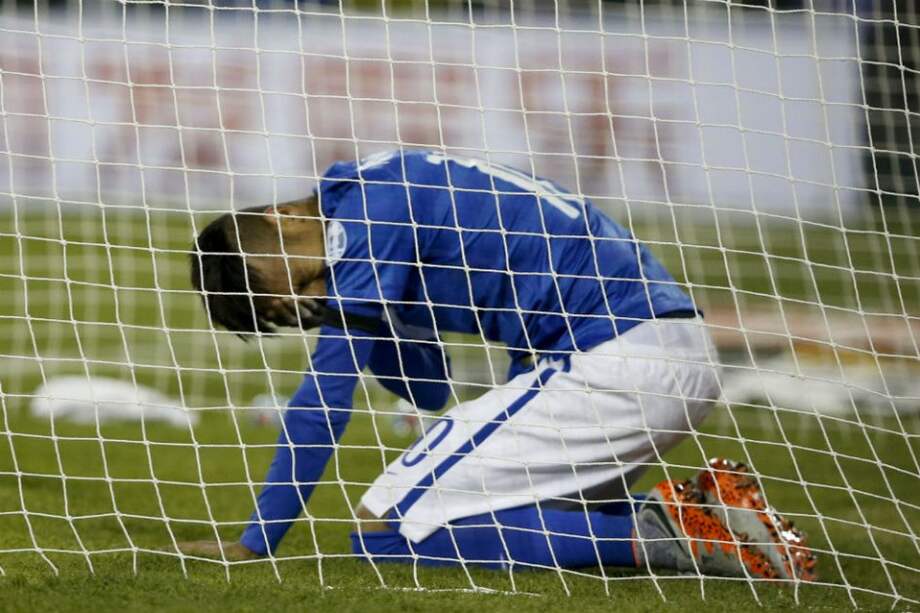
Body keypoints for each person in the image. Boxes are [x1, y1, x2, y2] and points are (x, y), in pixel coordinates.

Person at [182, 149, 815, 580]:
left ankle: (667, 534)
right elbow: (430, 387)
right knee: (485, 516)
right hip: (656, 355)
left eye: (281, 287)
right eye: (286, 311)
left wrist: (256, 540)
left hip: (614, 359)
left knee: (386, 528)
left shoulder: (367, 221)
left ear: (280, 219)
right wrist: (359, 318)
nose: (300, 303)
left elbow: (323, 404)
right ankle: (710, 512)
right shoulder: (381, 200)